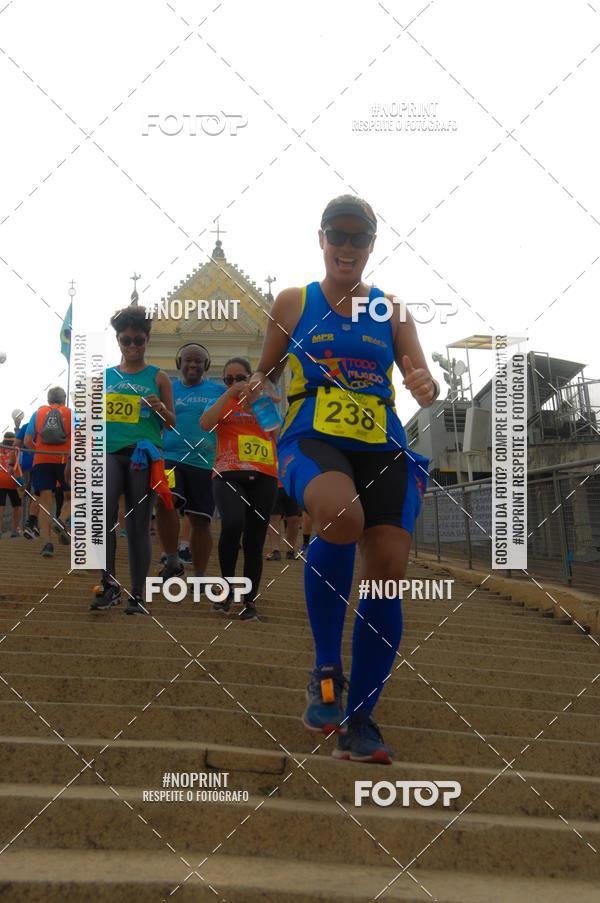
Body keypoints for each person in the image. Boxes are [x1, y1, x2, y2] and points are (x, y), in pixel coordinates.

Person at [246, 195, 436, 763]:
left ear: (372, 245)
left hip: (382, 442)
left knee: (388, 571)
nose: (348, 246)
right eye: (339, 234)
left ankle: (360, 721)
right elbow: (266, 372)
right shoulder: (293, 301)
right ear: (322, 238)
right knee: (338, 517)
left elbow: (417, 370)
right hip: (314, 435)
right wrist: (255, 395)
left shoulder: (392, 312)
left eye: (359, 237)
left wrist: (425, 383)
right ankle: (327, 669)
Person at [90, 305, 175, 615]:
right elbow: (92, 421)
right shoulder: (105, 377)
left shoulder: (159, 376)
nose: (133, 346)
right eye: (126, 341)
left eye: (138, 340)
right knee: (103, 514)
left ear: (147, 340)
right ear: (118, 341)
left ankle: (137, 593)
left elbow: (171, 423)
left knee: (139, 524)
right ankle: (109, 583)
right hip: (109, 451)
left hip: (143, 452)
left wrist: (159, 410)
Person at [200, 357, 278, 620]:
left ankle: (249, 601)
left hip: (263, 474)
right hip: (227, 472)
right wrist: (228, 396)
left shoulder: (261, 402)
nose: (234, 383)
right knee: (232, 524)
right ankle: (225, 589)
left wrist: (256, 399)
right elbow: (205, 424)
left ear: (250, 378)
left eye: (240, 378)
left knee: (255, 541)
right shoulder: (223, 404)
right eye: (228, 380)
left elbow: (274, 429)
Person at [157, 343, 222, 592]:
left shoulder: (218, 390)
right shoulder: (169, 389)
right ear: (179, 364)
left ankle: (199, 575)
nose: (192, 365)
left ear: (206, 365)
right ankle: (172, 559)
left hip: (205, 463)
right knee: (165, 500)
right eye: (187, 360)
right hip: (171, 458)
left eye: (198, 361)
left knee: (201, 520)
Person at [24, 388, 72, 557]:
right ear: (64, 399)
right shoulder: (70, 414)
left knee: (45, 502)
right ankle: (61, 520)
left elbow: (27, 440)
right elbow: (80, 440)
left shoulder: (38, 413)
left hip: (41, 461)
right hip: (63, 460)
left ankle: (47, 544)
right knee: (73, 496)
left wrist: (40, 450)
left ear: (48, 399)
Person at [13, 416, 39, 538]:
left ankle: (30, 525)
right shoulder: (45, 426)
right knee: (37, 495)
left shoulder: (27, 426)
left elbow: (16, 444)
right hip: (40, 463)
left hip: (25, 465)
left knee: (28, 495)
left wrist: (12, 464)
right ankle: (32, 524)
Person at [266, 480, 301, 560]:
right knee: (274, 518)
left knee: (294, 519)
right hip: (274, 484)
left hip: (291, 487)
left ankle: (290, 551)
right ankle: (275, 551)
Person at [0, 432, 21, 537]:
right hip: (13, 480)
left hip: (0, 481)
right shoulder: (16, 450)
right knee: (17, 506)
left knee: (1, 506)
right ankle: (14, 530)